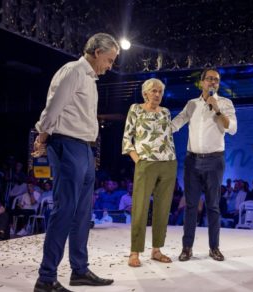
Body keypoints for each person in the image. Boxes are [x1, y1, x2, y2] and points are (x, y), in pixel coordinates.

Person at [32, 33, 119, 292]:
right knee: (65, 210)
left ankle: (79, 270)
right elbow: (53, 107)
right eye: (109, 60)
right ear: (96, 52)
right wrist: (42, 135)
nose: (110, 66)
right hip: (67, 145)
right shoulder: (72, 71)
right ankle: (46, 278)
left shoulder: (90, 80)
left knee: (82, 214)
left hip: (84, 148)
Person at [172, 68, 237, 261]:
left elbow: (232, 128)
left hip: (214, 160)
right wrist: (160, 129)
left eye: (216, 80)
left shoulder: (225, 103)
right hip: (192, 161)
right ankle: (187, 248)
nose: (212, 82)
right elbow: (178, 122)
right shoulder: (191, 104)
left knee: (213, 206)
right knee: (191, 206)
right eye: (209, 79)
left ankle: (214, 247)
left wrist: (216, 108)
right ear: (201, 82)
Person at [122, 78, 177, 267]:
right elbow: (127, 138)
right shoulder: (135, 109)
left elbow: (168, 138)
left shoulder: (166, 112)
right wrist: (138, 159)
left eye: (160, 91)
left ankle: (156, 250)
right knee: (140, 207)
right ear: (145, 93)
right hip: (145, 162)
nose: (157, 94)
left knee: (163, 208)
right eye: (154, 91)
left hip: (168, 162)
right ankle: (134, 251)